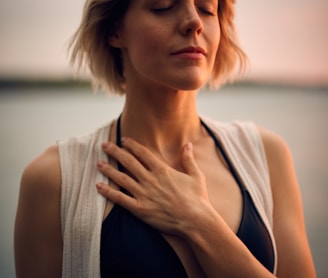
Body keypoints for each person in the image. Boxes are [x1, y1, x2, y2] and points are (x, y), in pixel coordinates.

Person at [14, 0, 316, 277]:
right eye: (163, 5)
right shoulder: (54, 179)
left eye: (207, 8)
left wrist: (199, 222)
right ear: (114, 30)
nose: (193, 22)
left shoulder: (266, 155)